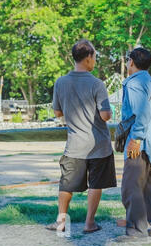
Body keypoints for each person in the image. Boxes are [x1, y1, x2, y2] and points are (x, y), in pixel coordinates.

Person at [46, 39, 116, 233]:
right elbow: (105, 115)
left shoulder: (60, 82)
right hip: (98, 146)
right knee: (96, 184)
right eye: (94, 56)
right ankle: (89, 223)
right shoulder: (97, 84)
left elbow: (58, 113)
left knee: (66, 184)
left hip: (74, 145)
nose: (95, 60)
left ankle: (61, 223)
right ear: (88, 58)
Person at [120, 47, 151, 240]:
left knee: (131, 187)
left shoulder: (133, 84)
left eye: (127, 60)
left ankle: (136, 231)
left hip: (140, 145)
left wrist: (136, 139)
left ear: (131, 61)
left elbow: (143, 113)